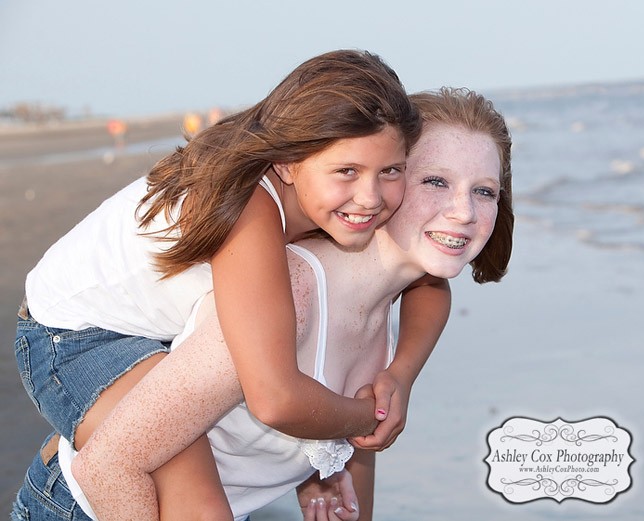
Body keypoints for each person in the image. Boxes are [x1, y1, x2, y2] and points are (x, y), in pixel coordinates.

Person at [12, 87, 514, 521]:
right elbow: (111, 465)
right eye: (435, 181)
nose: (464, 211)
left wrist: (325, 461)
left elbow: (358, 443)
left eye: (485, 191)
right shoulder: (284, 289)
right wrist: (362, 422)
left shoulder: (390, 312)